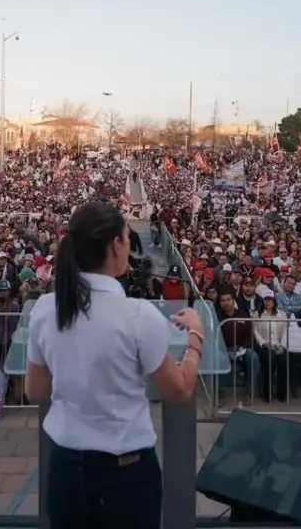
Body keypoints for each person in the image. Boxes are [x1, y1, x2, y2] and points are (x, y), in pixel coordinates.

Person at [25, 201, 205, 529]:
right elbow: (179, 391)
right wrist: (196, 333)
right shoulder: (139, 316)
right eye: (126, 238)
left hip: (66, 467)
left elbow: (35, 389)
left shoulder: (45, 309)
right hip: (126, 475)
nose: (128, 247)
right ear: (115, 246)